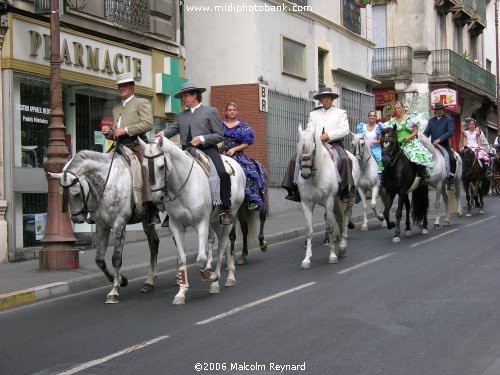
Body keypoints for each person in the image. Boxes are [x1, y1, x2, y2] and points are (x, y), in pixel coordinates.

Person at [155, 82, 232, 225]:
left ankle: (225, 208)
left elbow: (219, 135)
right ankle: (170, 212)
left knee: (222, 172)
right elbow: (173, 129)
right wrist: (162, 133)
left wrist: (202, 139)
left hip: (207, 150)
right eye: (182, 97)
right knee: (168, 173)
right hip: (186, 152)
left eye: (186, 96)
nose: (183, 99)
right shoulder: (181, 115)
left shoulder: (210, 111)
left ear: (195, 95)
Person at [101, 72, 160, 225]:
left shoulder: (142, 102)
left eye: (125, 85)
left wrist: (126, 130)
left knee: (144, 168)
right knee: (102, 167)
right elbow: (116, 133)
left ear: (132, 87)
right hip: (119, 146)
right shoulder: (116, 108)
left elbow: (148, 124)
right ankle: (100, 207)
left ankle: (150, 208)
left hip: (137, 144)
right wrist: (109, 133)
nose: (122, 88)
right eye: (120, 86)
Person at [281, 87, 354, 203]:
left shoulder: (340, 113)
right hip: (316, 144)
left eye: (328, 97)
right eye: (324, 97)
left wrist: (328, 135)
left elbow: (345, 130)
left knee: (345, 159)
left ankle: (345, 190)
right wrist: (307, 136)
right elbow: (310, 128)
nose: (326, 99)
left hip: (334, 143)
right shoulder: (313, 114)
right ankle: (293, 189)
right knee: (295, 158)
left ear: (332, 99)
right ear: (320, 99)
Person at [223, 102, 267, 210]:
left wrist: (234, 149)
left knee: (249, 170)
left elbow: (247, 143)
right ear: (226, 113)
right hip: (222, 154)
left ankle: (252, 200)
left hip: (237, 155)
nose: (232, 112)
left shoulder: (244, 127)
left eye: (234, 110)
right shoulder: (220, 125)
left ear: (237, 112)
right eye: (229, 110)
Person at [386, 101, 433, 184]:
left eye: (398, 108)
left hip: (409, 141)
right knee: (387, 155)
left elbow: (415, 132)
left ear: (403, 108)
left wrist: (409, 137)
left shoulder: (410, 118)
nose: (396, 110)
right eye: (395, 109)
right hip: (397, 143)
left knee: (416, 155)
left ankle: (424, 175)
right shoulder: (392, 121)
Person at [423, 101, 456, 190]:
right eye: (437, 109)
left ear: (443, 110)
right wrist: (422, 139)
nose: (439, 111)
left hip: (444, 144)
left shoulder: (449, 119)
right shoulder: (431, 120)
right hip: (433, 145)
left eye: (441, 109)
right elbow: (426, 132)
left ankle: (451, 180)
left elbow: (450, 132)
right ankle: (425, 176)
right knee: (423, 157)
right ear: (435, 110)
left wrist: (440, 139)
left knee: (452, 159)